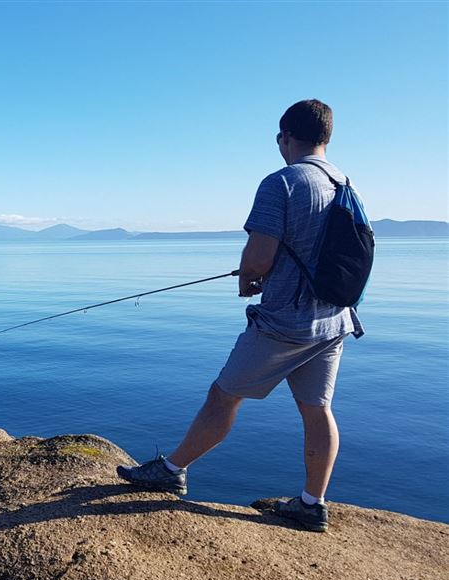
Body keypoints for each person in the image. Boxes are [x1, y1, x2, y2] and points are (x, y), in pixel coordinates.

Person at [117, 99, 365, 533]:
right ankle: (312, 503)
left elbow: (260, 254)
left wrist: (248, 278)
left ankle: (172, 471)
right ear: (326, 137)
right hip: (332, 321)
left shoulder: (282, 182)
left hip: (284, 324)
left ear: (283, 137)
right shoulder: (344, 183)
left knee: (223, 396)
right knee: (317, 409)